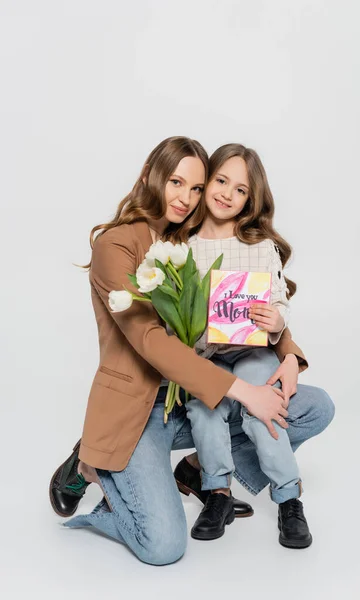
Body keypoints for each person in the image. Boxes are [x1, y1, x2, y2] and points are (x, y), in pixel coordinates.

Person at [50, 136, 335, 565]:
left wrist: (288, 351)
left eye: (197, 188)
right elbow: (150, 340)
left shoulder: (189, 239)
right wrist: (243, 390)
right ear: (150, 177)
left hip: (190, 401)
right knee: (164, 547)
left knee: (313, 407)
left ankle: (197, 470)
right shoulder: (116, 245)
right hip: (140, 413)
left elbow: (243, 302)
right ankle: (93, 468)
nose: (186, 198)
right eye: (175, 183)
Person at [185, 144, 322, 548]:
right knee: (203, 407)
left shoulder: (258, 245)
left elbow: (279, 300)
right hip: (205, 353)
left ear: (251, 199)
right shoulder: (186, 246)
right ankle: (217, 493)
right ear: (206, 180)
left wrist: (277, 320)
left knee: (266, 409)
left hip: (252, 350)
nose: (227, 193)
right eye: (221, 180)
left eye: (240, 189)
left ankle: (289, 498)